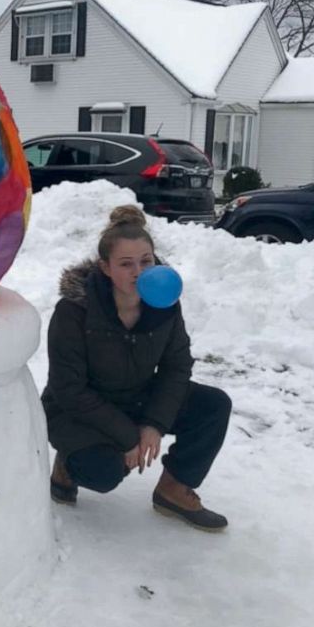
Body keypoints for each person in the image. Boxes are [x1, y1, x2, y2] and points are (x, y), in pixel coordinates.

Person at [41, 205, 230, 531]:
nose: (139, 272)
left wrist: (154, 424)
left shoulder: (164, 302)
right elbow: (69, 390)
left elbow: (176, 366)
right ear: (105, 268)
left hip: (137, 395)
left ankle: (174, 488)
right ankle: (67, 467)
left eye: (146, 261)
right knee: (105, 471)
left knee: (213, 406)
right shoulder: (74, 310)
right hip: (76, 409)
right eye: (126, 264)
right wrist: (129, 436)